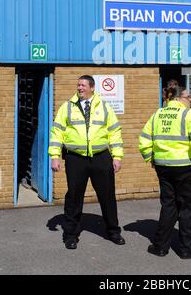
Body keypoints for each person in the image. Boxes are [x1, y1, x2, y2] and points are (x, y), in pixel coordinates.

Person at [48, 75, 125, 250]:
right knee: (74, 197)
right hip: (76, 159)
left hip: (101, 157)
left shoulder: (104, 107)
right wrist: (54, 156)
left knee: (107, 196)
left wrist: (117, 156)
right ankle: (70, 235)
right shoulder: (67, 107)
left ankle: (113, 232)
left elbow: (115, 132)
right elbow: (57, 133)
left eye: (83, 85)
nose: (79, 88)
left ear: (92, 87)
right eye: (78, 85)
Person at [139, 85, 191, 259]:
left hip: (163, 168)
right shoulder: (189, 115)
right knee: (186, 209)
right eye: (188, 97)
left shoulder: (157, 114)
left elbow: (144, 139)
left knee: (168, 206)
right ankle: (187, 249)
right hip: (185, 168)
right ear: (179, 98)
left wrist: (151, 158)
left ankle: (159, 247)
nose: (190, 100)